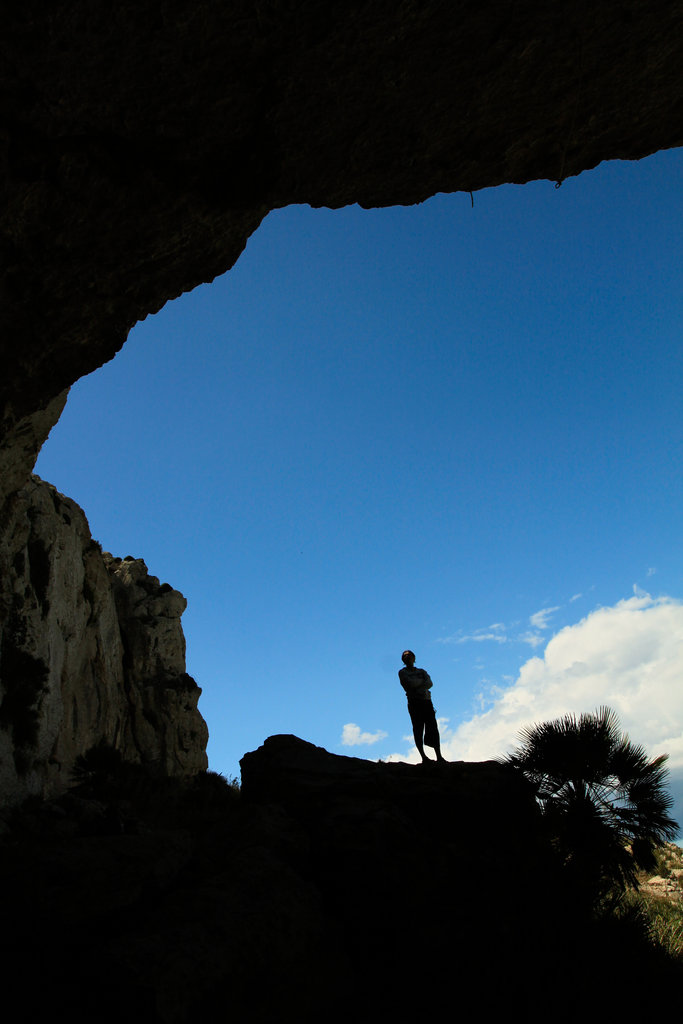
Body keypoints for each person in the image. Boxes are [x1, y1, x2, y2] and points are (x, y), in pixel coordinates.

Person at [398, 650, 446, 763]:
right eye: (405, 656)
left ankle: (439, 756)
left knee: (433, 728)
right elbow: (409, 684)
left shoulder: (422, 671)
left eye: (409, 655)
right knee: (418, 729)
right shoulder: (402, 672)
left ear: (414, 658)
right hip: (414, 703)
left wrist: (416, 684)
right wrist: (421, 684)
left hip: (426, 701)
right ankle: (424, 757)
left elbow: (430, 683)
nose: (408, 657)